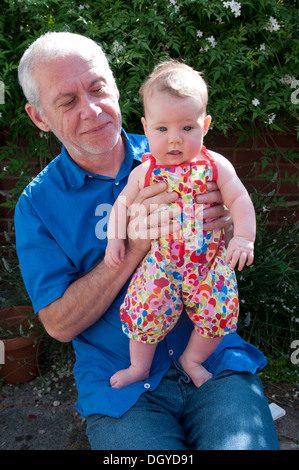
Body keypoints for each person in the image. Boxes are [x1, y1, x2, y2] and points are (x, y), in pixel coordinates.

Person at [14, 31, 279, 450]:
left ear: (116, 88)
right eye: (67, 101)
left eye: (98, 88)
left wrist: (231, 226)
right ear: (39, 117)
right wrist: (135, 244)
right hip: (123, 385)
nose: (92, 109)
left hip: (214, 362)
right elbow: (58, 324)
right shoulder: (38, 205)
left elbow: (234, 214)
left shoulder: (181, 147)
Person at [105, 61, 255, 389]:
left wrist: (243, 238)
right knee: (145, 310)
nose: (174, 140)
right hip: (160, 264)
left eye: (187, 128)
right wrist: (115, 240)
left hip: (209, 264)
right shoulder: (145, 172)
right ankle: (138, 367)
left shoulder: (216, 166)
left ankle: (193, 359)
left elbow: (240, 200)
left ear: (205, 124)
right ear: (145, 128)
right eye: (162, 129)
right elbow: (121, 205)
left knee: (218, 311)